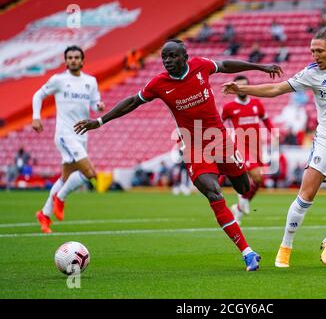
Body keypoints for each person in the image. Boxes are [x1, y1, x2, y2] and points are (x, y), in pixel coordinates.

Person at [73, 39, 283, 271]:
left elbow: (225, 65)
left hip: (221, 140)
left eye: (172, 56)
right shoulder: (159, 84)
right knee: (213, 194)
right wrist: (99, 121)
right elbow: (133, 101)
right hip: (193, 146)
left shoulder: (201, 66)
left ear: (184, 56)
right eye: (164, 58)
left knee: (244, 187)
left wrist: (260, 68)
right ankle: (247, 252)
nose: (167, 61)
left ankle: (220, 175)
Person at [223, 21, 326, 267]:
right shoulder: (311, 73)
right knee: (306, 195)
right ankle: (286, 245)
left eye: (319, 51)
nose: (314, 55)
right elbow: (276, 88)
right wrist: (243, 88)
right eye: (312, 51)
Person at [33, 45, 105, 233]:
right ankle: (61, 198)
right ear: (65, 61)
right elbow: (38, 94)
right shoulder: (59, 80)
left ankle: (44, 215)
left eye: (76, 57)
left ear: (82, 60)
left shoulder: (90, 81)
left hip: (82, 135)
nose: (73, 60)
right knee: (90, 174)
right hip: (65, 135)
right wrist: (36, 117)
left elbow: (94, 104)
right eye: (70, 57)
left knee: (66, 178)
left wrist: (98, 107)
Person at [221, 75, 274, 225]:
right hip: (241, 146)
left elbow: (266, 120)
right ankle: (242, 199)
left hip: (257, 146)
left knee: (259, 180)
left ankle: (238, 208)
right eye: (239, 85)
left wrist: (273, 134)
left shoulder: (257, 103)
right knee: (256, 175)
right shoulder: (229, 108)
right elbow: (219, 122)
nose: (241, 88)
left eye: (244, 85)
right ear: (235, 88)